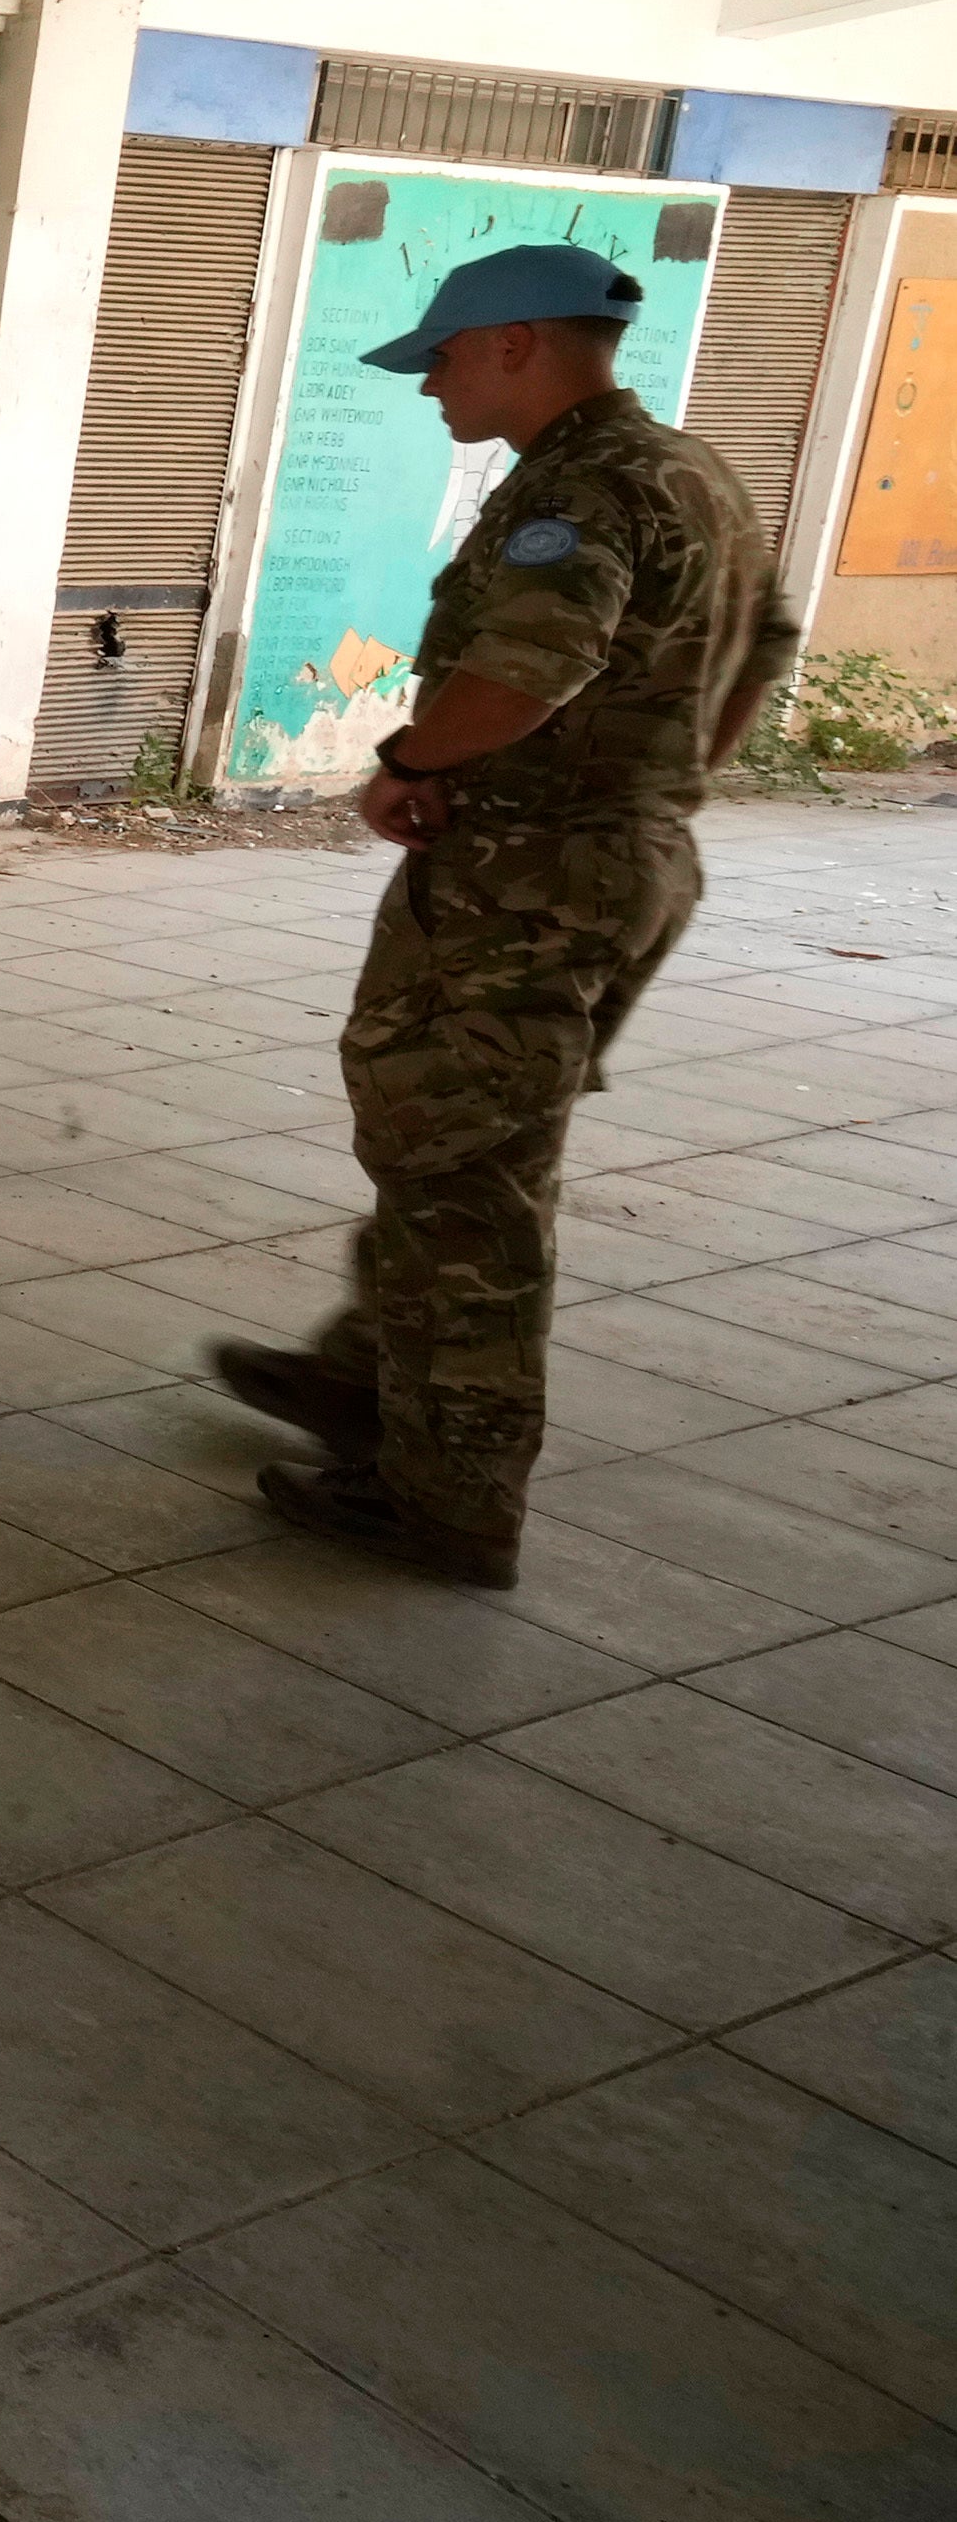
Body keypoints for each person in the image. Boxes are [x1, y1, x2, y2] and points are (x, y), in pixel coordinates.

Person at [207, 242, 795, 1586]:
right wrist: (659, 780)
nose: (432, 388)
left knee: (467, 1185)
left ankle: (448, 1498)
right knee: (465, 1146)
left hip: (528, 885)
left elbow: (527, 668)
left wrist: (415, 762)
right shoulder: (696, 475)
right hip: (633, 863)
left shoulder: (584, 491)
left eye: (445, 358)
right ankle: (365, 1379)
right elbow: (760, 652)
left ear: (518, 342)